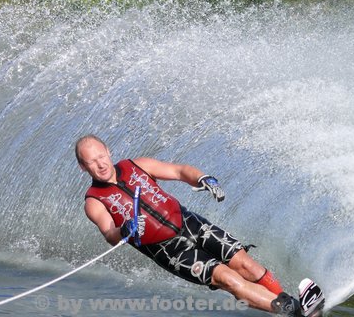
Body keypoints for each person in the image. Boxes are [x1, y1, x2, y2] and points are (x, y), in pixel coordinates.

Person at [76, 134, 311, 317]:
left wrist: (202, 178)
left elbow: (179, 171)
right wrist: (124, 229)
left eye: (101, 156)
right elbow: (109, 233)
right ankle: (292, 310)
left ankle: (289, 302)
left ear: (108, 151)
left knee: (245, 264)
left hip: (191, 224)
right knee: (228, 279)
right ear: (83, 167)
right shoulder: (94, 200)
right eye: (92, 162)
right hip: (169, 250)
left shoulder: (136, 165)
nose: (100, 164)